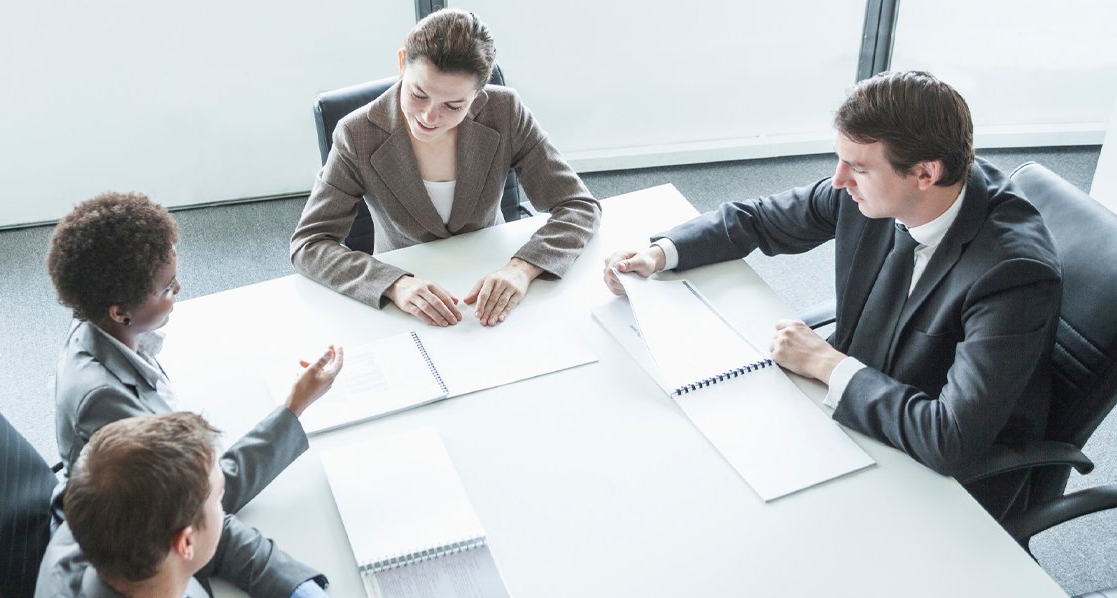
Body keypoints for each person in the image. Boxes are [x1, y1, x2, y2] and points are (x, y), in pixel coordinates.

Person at [604, 71, 1062, 520]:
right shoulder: (879, 190)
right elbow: (759, 219)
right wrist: (659, 254)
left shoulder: (1013, 274)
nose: (839, 180)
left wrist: (825, 363)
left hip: (936, 476)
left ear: (925, 173)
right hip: (853, 414)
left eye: (858, 167)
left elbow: (950, 440)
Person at [46, 192, 344, 597]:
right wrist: (294, 407)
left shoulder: (101, 334)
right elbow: (203, 495)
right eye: (168, 287)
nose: (179, 288)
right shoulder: (101, 403)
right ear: (120, 311)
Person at [291, 8, 600, 328]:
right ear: (401, 64)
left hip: (494, 281)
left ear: (477, 94)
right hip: (405, 301)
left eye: (453, 105)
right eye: (418, 94)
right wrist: (395, 284)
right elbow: (309, 244)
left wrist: (522, 267)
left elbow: (579, 206)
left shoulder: (505, 111)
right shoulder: (356, 134)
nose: (428, 117)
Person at [36, 412, 329, 598]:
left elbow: (221, 535)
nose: (223, 509)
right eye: (218, 498)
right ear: (185, 542)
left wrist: (302, 592)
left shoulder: (102, 516)